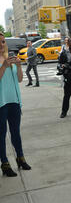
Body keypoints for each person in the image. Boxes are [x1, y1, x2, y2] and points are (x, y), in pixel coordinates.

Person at [0, 32, 31, 177]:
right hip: (1, 103)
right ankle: (5, 163)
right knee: (1, 135)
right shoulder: (5, 62)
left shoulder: (8, 58)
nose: (1, 45)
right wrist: (4, 67)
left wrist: (18, 66)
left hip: (14, 101)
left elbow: (19, 79)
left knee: (16, 132)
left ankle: (20, 158)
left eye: (3, 42)